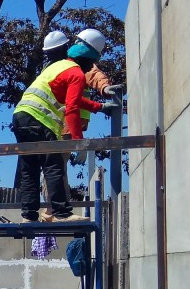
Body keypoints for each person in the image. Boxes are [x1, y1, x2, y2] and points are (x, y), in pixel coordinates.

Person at [11, 33, 118, 223]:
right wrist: (78, 142)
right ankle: (62, 213)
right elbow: (72, 108)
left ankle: (29, 216)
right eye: (92, 62)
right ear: (89, 59)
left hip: (20, 116)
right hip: (40, 120)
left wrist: (99, 107)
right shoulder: (76, 73)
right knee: (53, 166)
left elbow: (75, 100)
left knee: (30, 168)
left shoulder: (58, 67)